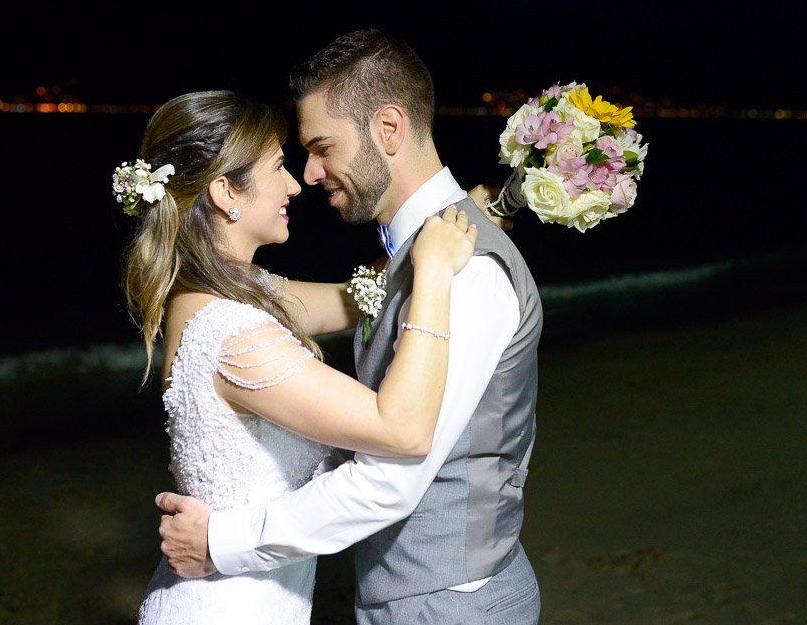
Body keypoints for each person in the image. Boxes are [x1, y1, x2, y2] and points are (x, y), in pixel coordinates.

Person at [157, 30, 544, 624]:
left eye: (320, 148)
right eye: (290, 160)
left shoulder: (464, 271)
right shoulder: (427, 259)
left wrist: (222, 541)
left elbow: (392, 481)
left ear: (388, 130)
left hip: (448, 606)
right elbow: (357, 301)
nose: (307, 176)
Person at [120, 90, 479, 625]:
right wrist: (433, 272)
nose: (295, 183)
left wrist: (470, 211)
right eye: (278, 167)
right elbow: (401, 429)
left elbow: (357, 299)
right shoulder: (233, 332)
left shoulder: (216, 292)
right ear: (225, 193)